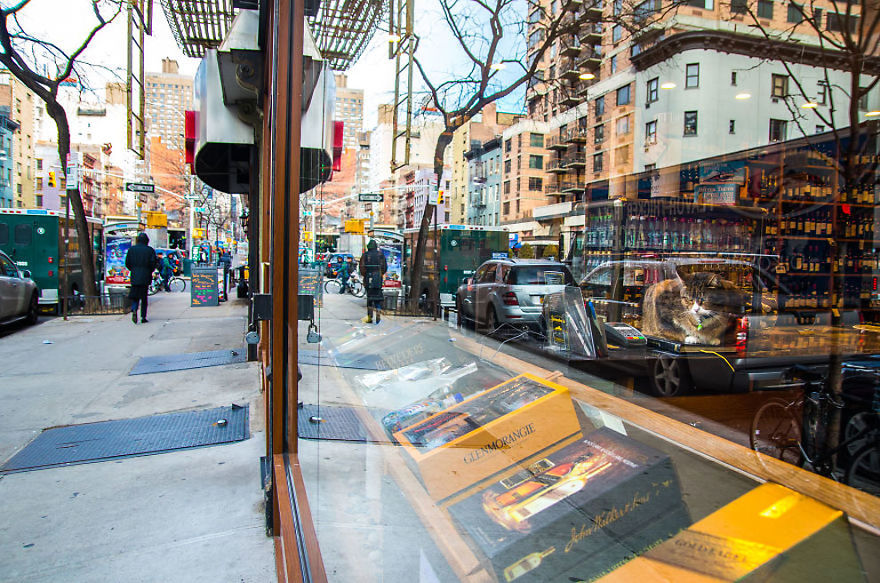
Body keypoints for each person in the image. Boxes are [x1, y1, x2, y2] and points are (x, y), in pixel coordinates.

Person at [125, 232, 158, 324]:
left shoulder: (132, 250)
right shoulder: (149, 250)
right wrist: (150, 271)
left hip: (135, 275)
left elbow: (127, 263)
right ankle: (143, 316)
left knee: (135, 295)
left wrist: (133, 269)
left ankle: (134, 309)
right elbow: (153, 263)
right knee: (144, 297)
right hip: (145, 276)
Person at [359, 240, 387, 324]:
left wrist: (366, 275)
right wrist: (380, 274)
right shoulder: (380, 255)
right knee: (378, 296)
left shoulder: (365, 255)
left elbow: (362, 267)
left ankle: (370, 317)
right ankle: (378, 312)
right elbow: (384, 267)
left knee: (370, 298)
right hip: (378, 278)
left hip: (369, 278)